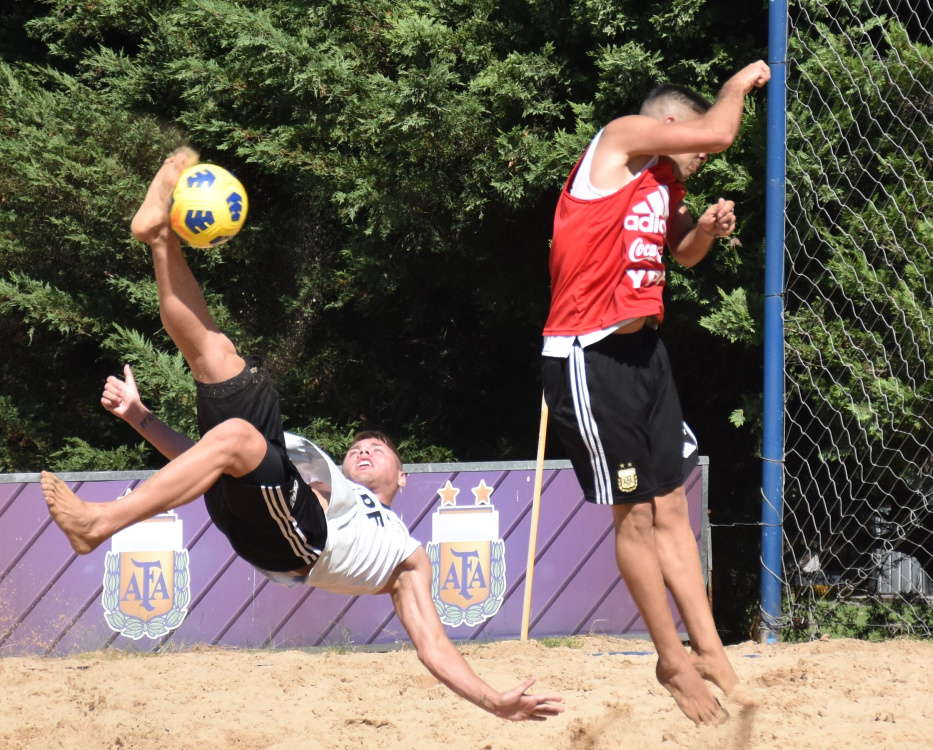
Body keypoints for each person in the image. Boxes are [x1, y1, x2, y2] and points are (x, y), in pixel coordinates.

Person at [41, 150, 563, 723]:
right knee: (220, 357)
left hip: (300, 545)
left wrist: (494, 700)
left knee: (240, 436)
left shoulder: (407, 557)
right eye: (358, 445)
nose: (364, 447)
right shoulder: (312, 474)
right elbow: (204, 466)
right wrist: (140, 417)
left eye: (379, 447)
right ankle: (160, 238)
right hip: (273, 510)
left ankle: (99, 525)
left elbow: (434, 647)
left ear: (402, 476)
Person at [539, 61, 771, 726]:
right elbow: (723, 132)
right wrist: (738, 85)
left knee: (672, 505)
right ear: (667, 125)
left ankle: (711, 651)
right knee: (636, 516)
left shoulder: (661, 185)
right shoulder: (617, 142)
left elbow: (680, 254)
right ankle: (670, 657)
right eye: (692, 139)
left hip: (645, 353)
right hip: (590, 354)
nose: (702, 153)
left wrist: (707, 232)